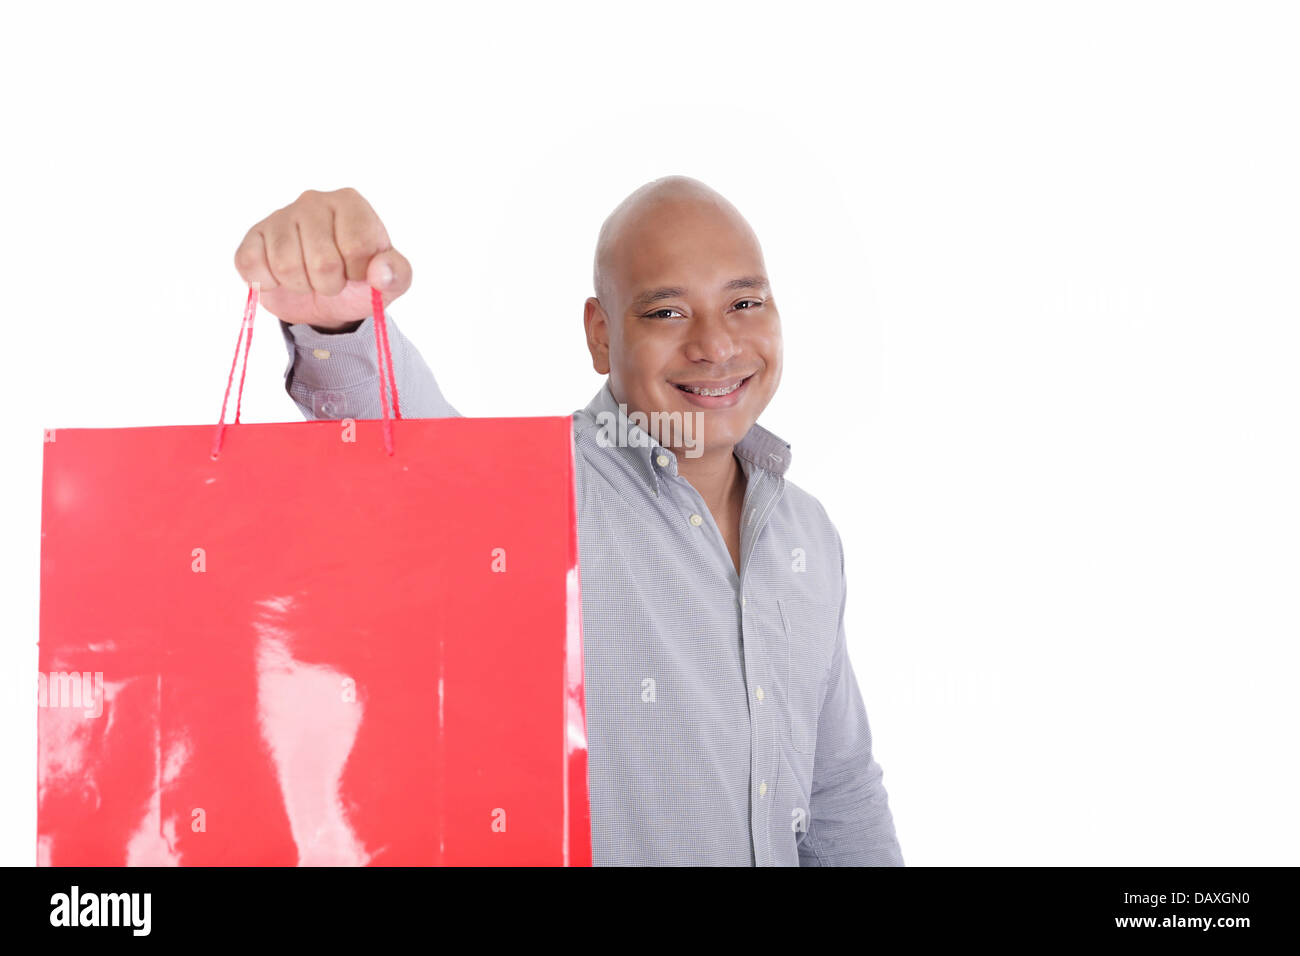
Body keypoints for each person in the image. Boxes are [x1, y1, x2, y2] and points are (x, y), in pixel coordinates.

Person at [232, 176, 905, 866]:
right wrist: (341, 325)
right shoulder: (542, 488)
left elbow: (838, 791)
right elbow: (413, 450)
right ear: (601, 335)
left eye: (744, 302)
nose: (716, 344)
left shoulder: (808, 534)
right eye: (667, 313)